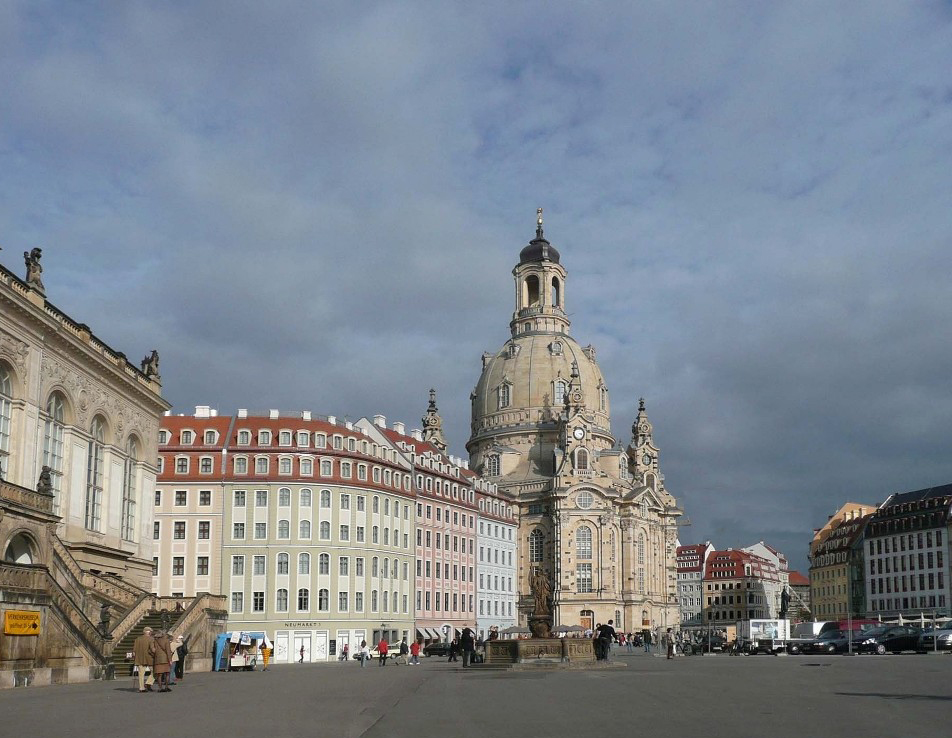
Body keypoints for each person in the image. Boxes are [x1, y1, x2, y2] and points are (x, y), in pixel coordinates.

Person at [133, 626, 155, 693]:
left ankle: (141, 688)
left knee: (141, 674)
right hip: (149, 658)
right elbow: (152, 649)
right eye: (150, 631)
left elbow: (134, 651)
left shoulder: (138, 639)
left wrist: (135, 657)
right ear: (148, 632)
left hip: (139, 658)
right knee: (155, 672)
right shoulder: (151, 639)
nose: (151, 633)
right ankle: (148, 683)